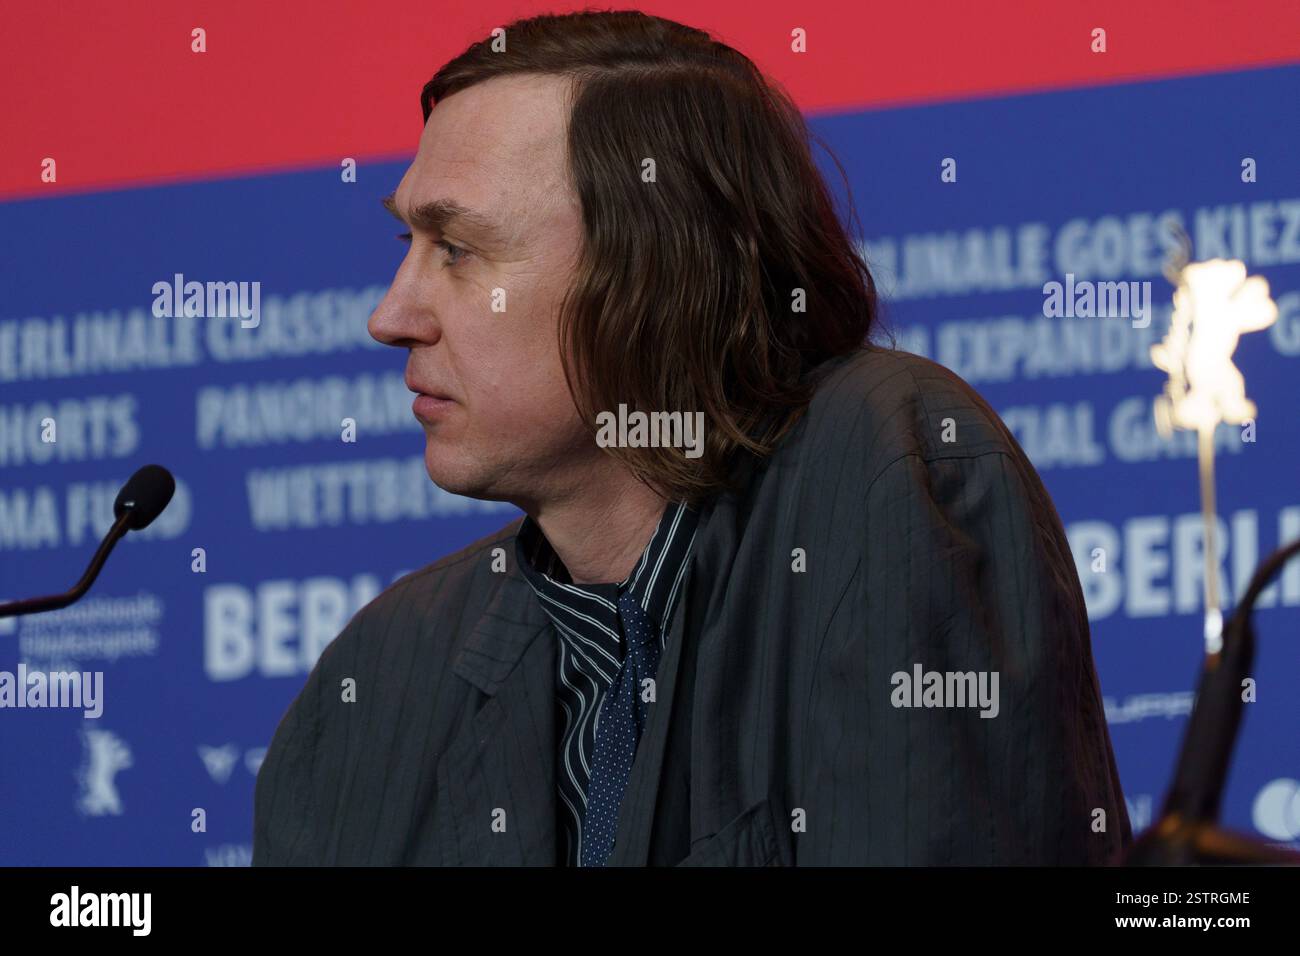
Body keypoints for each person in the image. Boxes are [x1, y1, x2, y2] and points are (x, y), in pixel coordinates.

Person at [253, 9, 1130, 866]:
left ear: (654, 269)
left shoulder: (876, 474)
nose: (389, 316)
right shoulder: (378, 674)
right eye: (406, 241)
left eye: (455, 248)